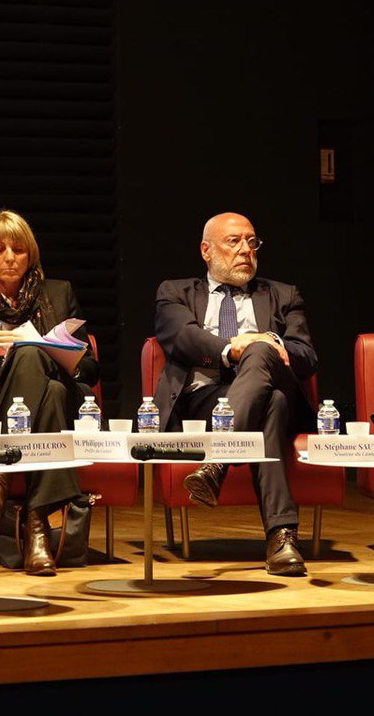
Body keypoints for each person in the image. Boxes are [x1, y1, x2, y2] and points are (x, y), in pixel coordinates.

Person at [153, 212, 317, 576]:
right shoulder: (175, 292)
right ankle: (282, 536)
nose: (246, 249)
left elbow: (305, 355)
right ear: (206, 250)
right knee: (268, 400)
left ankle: (217, 462)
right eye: (234, 241)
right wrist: (232, 348)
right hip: (203, 402)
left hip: (267, 388)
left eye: (252, 241)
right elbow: (183, 339)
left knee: (264, 355)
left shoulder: (282, 294)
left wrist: (266, 343)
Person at [0, 210, 98, 576]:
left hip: (68, 400)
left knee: (37, 361)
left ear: (31, 256)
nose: (9, 257)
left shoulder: (59, 293)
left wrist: (62, 357)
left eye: (19, 249)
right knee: (52, 395)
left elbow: (91, 369)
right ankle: (37, 527)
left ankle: (0, 478)